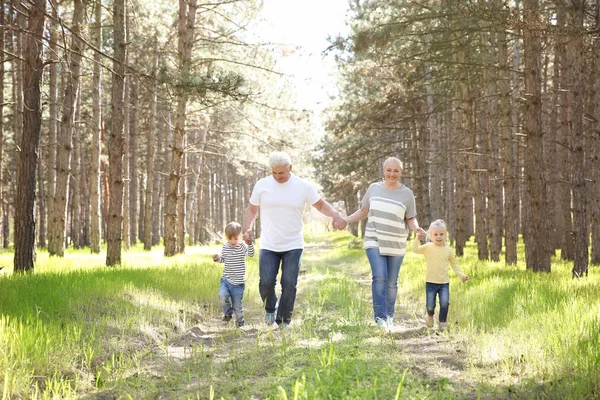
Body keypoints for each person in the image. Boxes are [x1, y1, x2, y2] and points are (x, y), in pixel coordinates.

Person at [243, 151, 347, 327]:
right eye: (274, 173)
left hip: (293, 243)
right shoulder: (262, 185)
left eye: (281, 173)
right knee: (266, 282)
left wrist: (335, 215)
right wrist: (247, 228)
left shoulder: (303, 186)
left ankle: (283, 320)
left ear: (290, 168)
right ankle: (270, 309)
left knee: (289, 283)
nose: (277, 176)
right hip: (269, 243)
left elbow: (320, 204)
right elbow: (252, 209)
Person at [344, 157, 425, 329]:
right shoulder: (374, 188)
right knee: (379, 277)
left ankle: (389, 316)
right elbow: (364, 210)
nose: (392, 174)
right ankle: (380, 318)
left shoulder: (407, 194)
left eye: (396, 171)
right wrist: (346, 220)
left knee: (391, 282)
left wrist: (417, 229)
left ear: (401, 172)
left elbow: (410, 218)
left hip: (396, 242)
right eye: (389, 170)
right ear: (384, 170)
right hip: (374, 238)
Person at [413, 219, 468, 330]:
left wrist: (461, 275)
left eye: (441, 234)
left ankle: (442, 323)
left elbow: (454, 265)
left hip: (444, 283)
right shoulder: (428, 247)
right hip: (430, 282)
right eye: (436, 234)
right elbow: (415, 250)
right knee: (430, 305)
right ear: (431, 235)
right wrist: (417, 239)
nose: (438, 236)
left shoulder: (448, 250)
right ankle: (429, 316)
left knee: (444, 303)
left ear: (445, 235)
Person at [212, 221, 255, 328]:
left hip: (238, 283)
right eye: (230, 238)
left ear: (240, 236)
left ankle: (240, 323)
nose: (233, 241)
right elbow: (223, 259)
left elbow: (251, 254)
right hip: (226, 280)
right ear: (226, 237)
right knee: (222, 296)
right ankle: (227, 313)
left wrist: (249, 244)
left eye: (236, 238)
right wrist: (217, 259)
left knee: (237, 305)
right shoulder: (226, 247)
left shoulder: (242, 246)